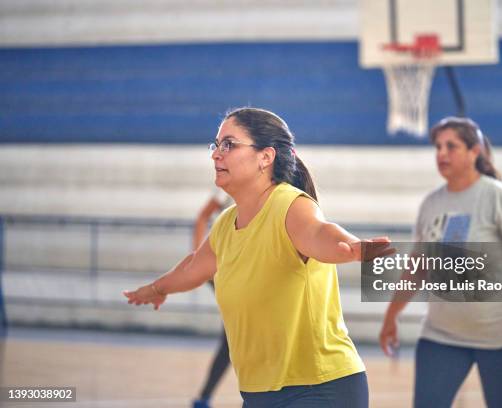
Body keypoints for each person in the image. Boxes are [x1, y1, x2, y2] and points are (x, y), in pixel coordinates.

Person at [124, 107, 389, 408]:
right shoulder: (226, 224)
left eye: (229, 145)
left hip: (320, 388)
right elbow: (193, 267)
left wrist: (354, 248)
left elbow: (320, 233)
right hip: (258, 395)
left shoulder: (289, 206)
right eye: (216, 145)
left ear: (266, 157)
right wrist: (158, 288)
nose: (216, 154)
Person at [379, 117, 502, 408]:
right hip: (442, 334)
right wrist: (391, 315)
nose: (441, 153)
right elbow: (416, 269)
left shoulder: (498, 197)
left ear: (475, 152)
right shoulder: (431, 204)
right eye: (438, 146)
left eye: (452, 146)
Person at [191, 190, 237, 408]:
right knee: (233, 337)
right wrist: (199, 258)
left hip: (245, 267)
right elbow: (202, 216)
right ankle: (204, 397)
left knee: (233, 338)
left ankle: (204, 397)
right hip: (227, 269)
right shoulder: (226, 187)